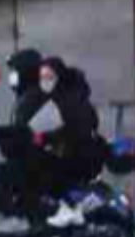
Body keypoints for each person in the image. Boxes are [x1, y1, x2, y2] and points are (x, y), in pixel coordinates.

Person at [0, 47, 52, 231]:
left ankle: (17, 217)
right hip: (28, 161)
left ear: (26, 72)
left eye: (15, 72)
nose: (12, 76)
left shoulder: (34, 98)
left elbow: (21, 133)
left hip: (34, 164)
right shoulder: (29, 96)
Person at [35, 56, 108, 228]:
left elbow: (70, 130)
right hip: (81, 152)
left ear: (60, 76)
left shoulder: (68, 99)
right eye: (42, 77)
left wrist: (42, 138)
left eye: (49, 77)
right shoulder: (70, 95)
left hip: (81, 156)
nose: (45, 81)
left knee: (41, 171)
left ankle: (67, 209)